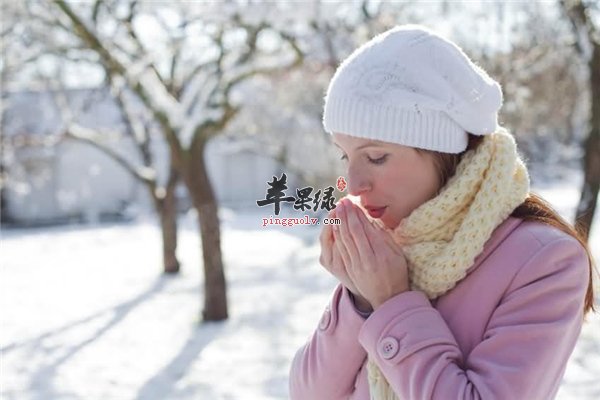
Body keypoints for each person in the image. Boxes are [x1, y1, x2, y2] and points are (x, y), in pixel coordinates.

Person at [289, 24, 596, 400]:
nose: (353, 184)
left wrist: (391, 303)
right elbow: (308, 394)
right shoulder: (393, 240)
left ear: (442, 151)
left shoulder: (545, 261)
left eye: (376, 157)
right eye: (345, 156)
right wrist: (359, 299)